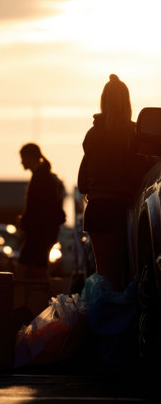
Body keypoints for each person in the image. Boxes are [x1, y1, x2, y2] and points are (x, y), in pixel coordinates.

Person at [77, 74, 138, 292]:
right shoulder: (133, 133)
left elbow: (82, 182)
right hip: (121, 209)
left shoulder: (92, 135)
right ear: (126, 101)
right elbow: (137, 172)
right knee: (126, 275)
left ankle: (100, 320)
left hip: (96, 209)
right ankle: (121, 323)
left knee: (103, 274)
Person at [16, 143, 66, 280]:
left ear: (30, 157)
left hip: (39, 234)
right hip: (44, 233)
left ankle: (27, 300)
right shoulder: (45, 176)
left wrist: (25, 222)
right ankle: (41, 299)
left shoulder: (41, 178)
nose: (21, 162)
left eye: (23, 158)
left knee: (23, 269)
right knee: (40, 268)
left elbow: (40, 208)